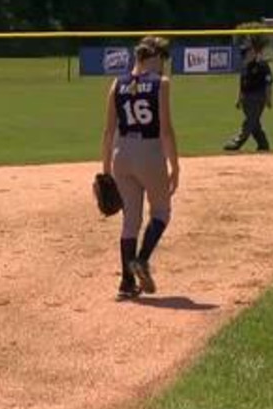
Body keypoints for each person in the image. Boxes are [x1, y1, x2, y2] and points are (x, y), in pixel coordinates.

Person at [100, 36, 180, 300]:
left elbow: (108, 131)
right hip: (149, 152)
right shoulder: (161, 84)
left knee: (130, 222)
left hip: (121, 154)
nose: (164, 66)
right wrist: (175, 166)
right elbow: (165, 130)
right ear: (152, 58)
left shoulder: (117, 83)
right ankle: (141, 260)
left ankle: (126, 283)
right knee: (161, 212)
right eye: (162, 60)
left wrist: (106, 171)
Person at [224, 42, 273, 152]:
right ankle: (263, 145)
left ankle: (237, 142)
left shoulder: (262, 65)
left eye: (251, 52)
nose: (250, 54)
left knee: (250, 121)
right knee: (254, 123)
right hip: (247, 99)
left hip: (258, 97)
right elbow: (242, 85)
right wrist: (239, 99)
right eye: (247, 53)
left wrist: (268, 98)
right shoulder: (245, 67)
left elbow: (268, 83)